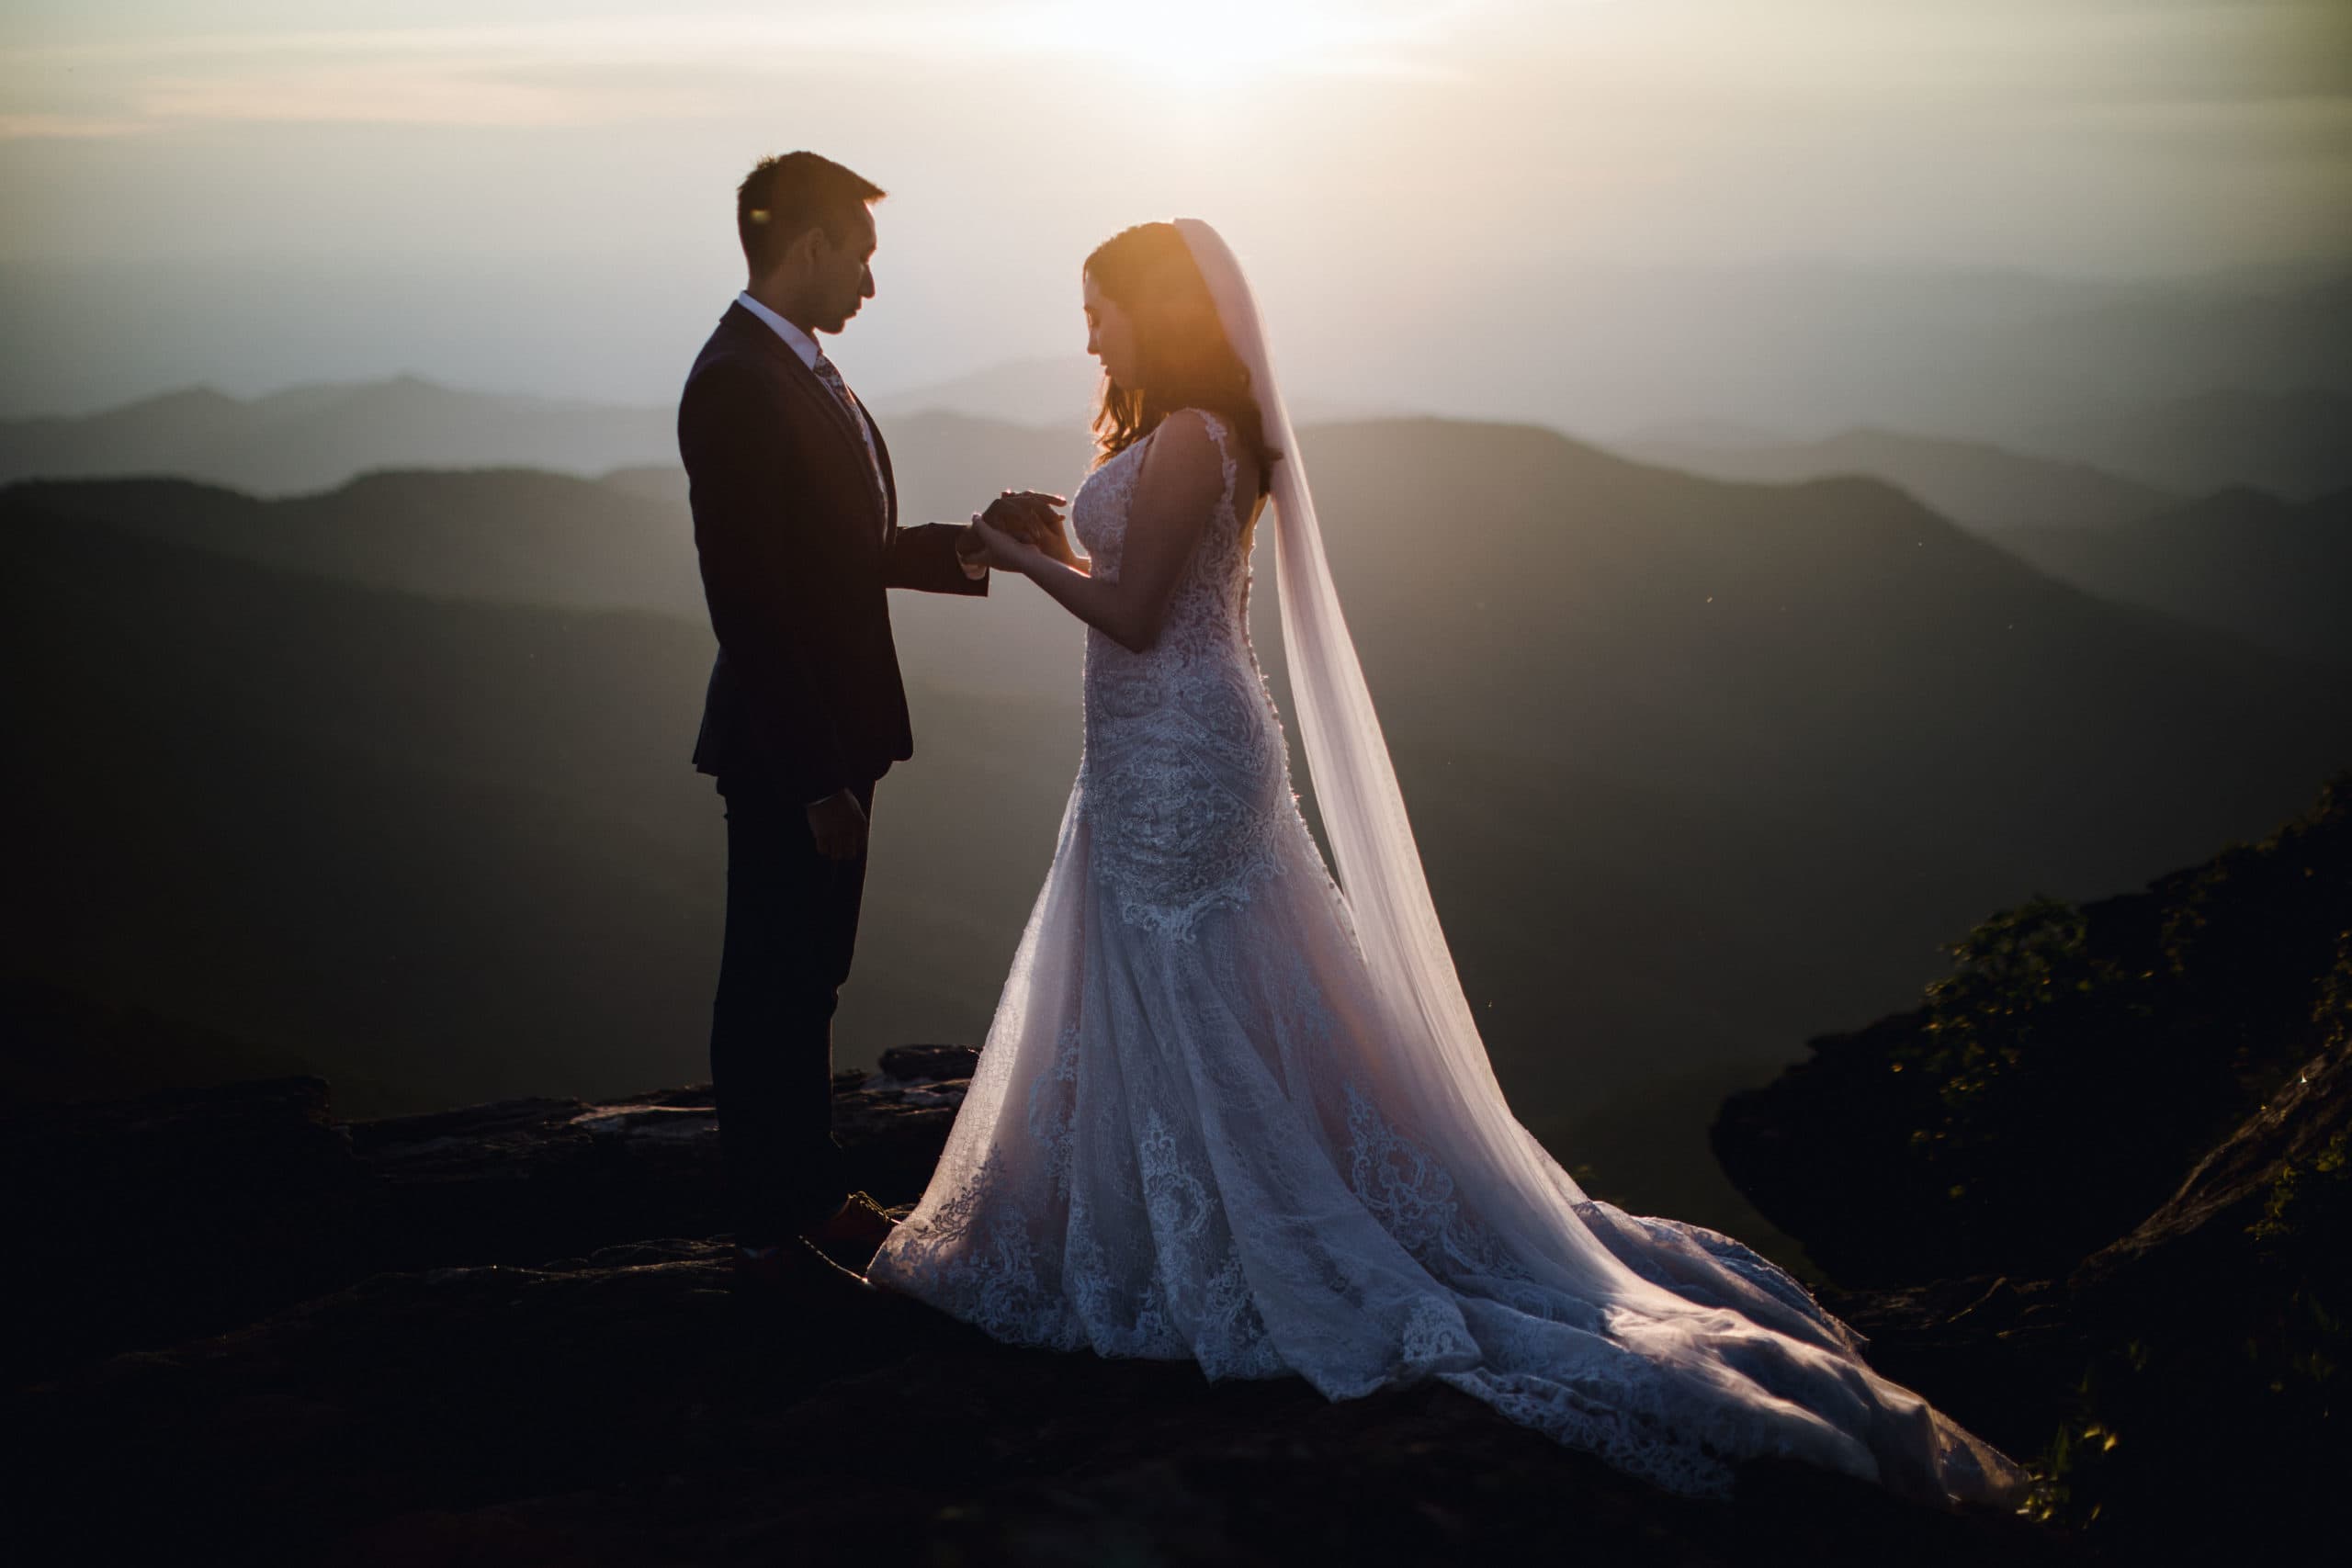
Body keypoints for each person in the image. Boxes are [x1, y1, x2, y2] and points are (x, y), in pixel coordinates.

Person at [865, 218, 2033, 1508]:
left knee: (1194, 972)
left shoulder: (1197, 433)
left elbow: (1144, 621)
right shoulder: (1186, 433)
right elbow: (1147, 583)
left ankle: (1235, 1230)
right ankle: (1166, 1213)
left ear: (1156, 308)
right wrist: (1063, 545)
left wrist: (1028, 561)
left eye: (1101, 307)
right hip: (1148, 746)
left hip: (1186, 750)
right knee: (1166, 973)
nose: (1087, 330)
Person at [676, 150, 1063, 1299]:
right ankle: (764, 1230)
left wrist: (973, 542)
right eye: (862, 258)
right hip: (790, 750)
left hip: (833, 742)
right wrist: (813, 779)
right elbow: (748, 599)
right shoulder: (739, 382)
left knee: (813, 976)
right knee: (769, 983)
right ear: (809, 248)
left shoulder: (797, 369)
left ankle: (807, 1195)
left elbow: (838, 557)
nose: (870, 286)